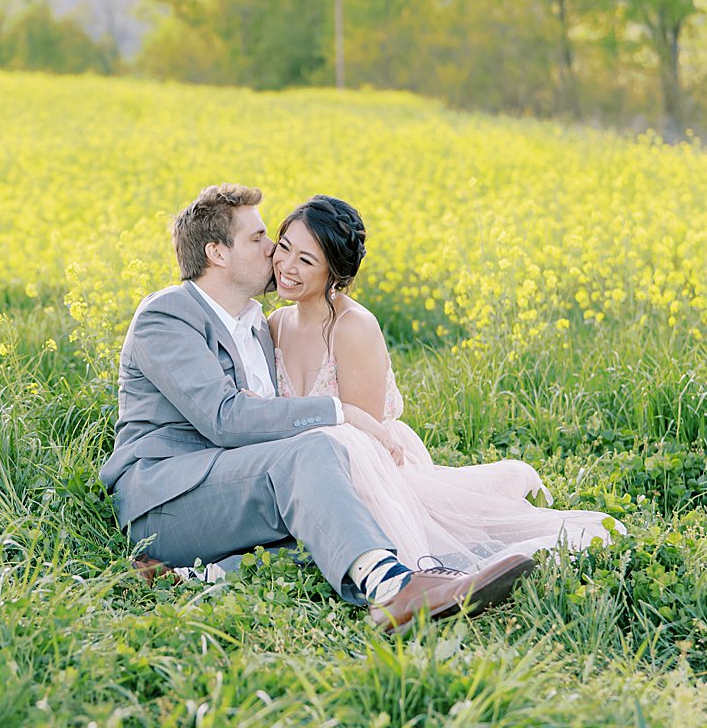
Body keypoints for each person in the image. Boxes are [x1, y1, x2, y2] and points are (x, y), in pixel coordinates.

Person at [101, 183, 535, 633]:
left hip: (237, 485)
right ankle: (394, 590)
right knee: (315, 454)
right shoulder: (168, 315)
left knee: (336, 510)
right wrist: (341, 412)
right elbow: (226, 419)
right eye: (259, 238)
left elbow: (260, 423)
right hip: (169, 501)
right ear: (217, 253)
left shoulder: (256, 326)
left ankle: (199, 575)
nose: (273, 252)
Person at [267, 194, 623, 572]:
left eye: (306, 260)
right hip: (312, 468)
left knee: (440, 536)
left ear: (334, 274)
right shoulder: (276, 324)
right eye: (284, 247)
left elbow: (365, 442)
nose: (287, 266)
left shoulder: (353, 327)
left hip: (373, 467)